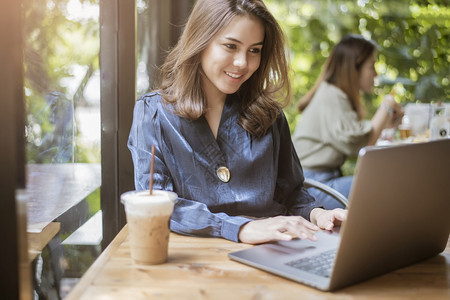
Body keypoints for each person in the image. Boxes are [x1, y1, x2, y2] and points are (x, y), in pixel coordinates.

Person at [128, 0, 346, 245]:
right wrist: (241, 228)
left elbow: (292, 193)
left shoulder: (269, 115)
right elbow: (158, 203)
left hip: (275, 251)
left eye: (254, 50)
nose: (243, 62)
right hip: (194, 257)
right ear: (200, 42)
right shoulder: (152, 113)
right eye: (231, 46)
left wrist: (320, 215)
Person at [292, 34, 404, 210]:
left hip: (320, 180)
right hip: (312, 187)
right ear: (354, 68)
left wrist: (386, 122)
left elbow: (358, 136)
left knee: (384, 179)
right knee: (386, 182)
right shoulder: (332, 95)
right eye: (371, 66)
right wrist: (387, 106)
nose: (375, 73)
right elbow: (359, 143)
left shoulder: (333, 94)